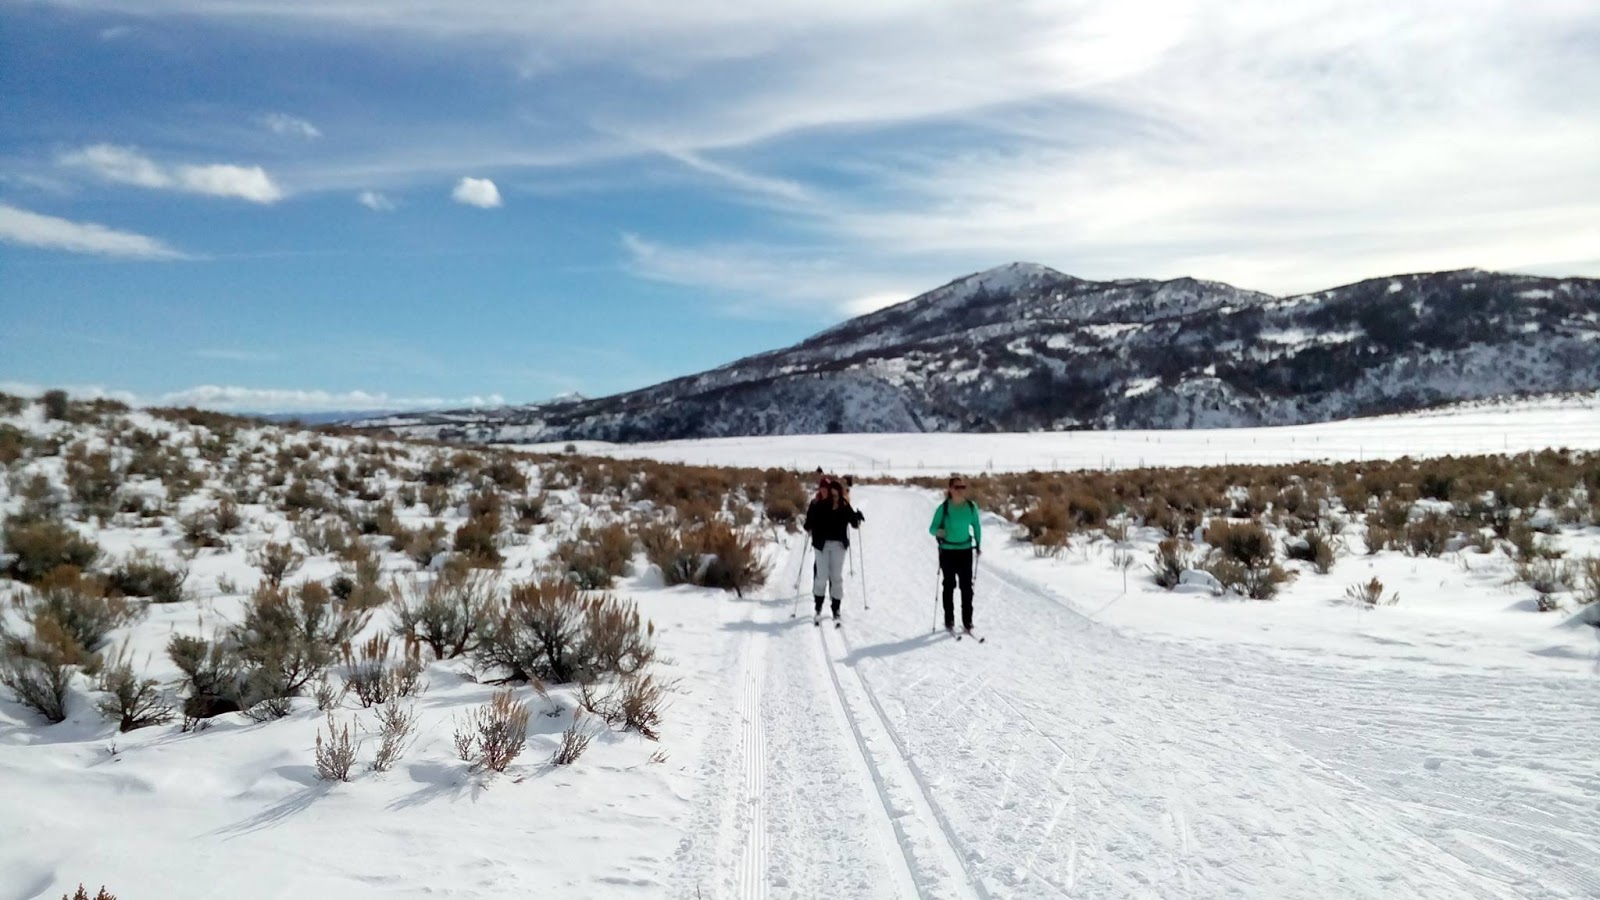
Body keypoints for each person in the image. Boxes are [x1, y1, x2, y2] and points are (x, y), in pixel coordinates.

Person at [803, 477, 864, 625]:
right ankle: (818, 606)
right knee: (821, 576)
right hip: (821, 545)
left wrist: (857, 518)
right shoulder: (821, 505)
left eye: (837, 495)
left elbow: (853, 523)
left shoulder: (844, 506)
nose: (835, 497)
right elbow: (810, 521)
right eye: (833, 495)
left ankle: (836, 608)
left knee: (836, 577)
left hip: (839, 546)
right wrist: (809, 525)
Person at [929, 475, 982, 634]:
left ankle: (967, 621)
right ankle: (949, 619)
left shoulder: (971, 507)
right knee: (949, 585)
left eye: (963, 487)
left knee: (966, 587)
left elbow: (977, 527)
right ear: (950, 489)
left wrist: (978, 545)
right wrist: (939, 531)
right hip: (947, 552)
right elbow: (932, 528)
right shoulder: (943, 508)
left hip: (966, 551)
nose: (960, 490)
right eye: (957, 487)